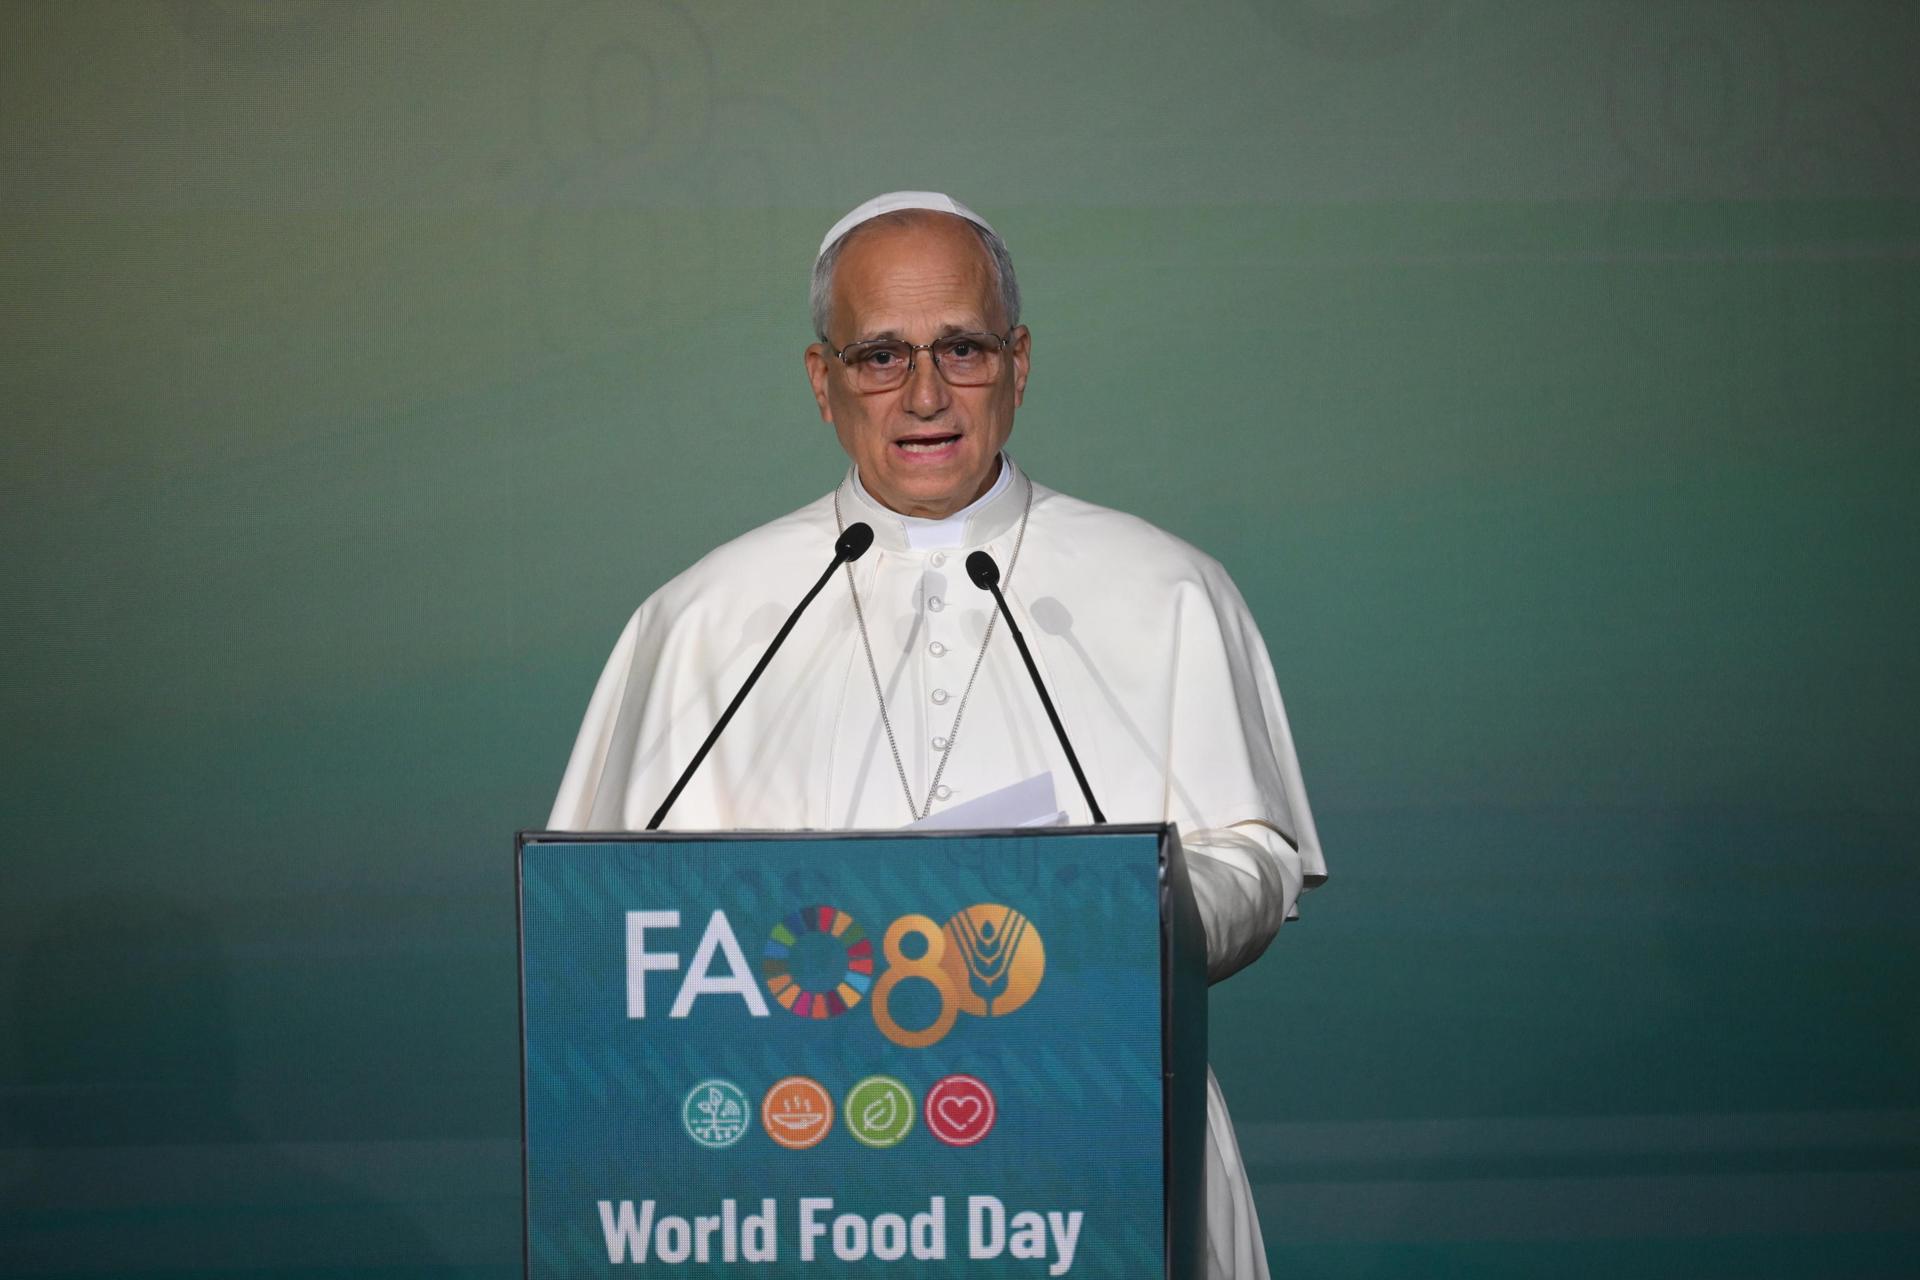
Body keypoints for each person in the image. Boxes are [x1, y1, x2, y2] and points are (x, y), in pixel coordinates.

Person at [547, 191, 1327, 1279]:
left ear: (1018, 363)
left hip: (1099, 1144)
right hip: (793, 1167)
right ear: (822, 382)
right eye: (880, 356)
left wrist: (1127, 908)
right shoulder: (702, 619)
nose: (924, 395)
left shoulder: (1166, 587)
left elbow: (1258, 859)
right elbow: (604, 919)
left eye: (961, 348)